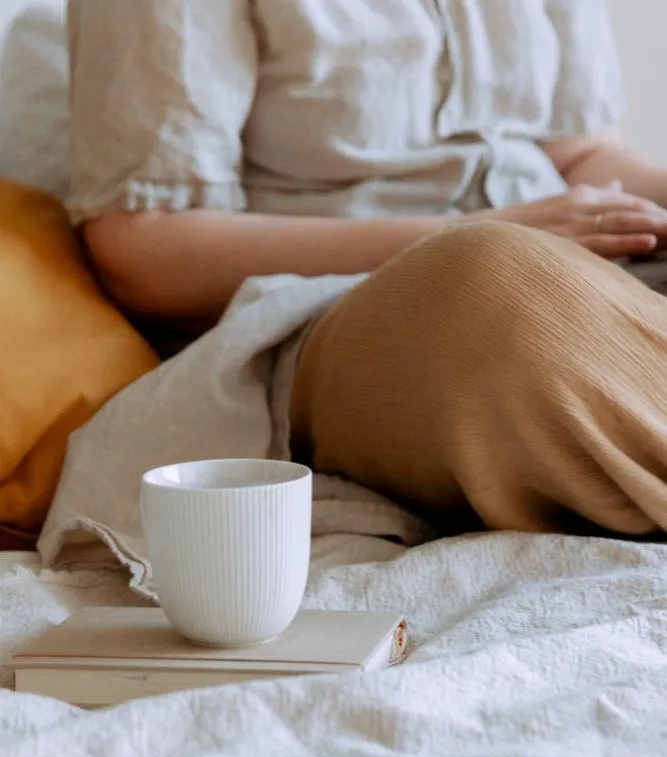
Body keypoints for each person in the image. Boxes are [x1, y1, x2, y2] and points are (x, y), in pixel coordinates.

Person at [66, 0, 667, 537]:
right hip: (349, 309)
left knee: (517, 274)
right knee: (491, 274)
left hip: (576, 270)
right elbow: (145, 250)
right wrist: (472, 233)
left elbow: (581, 154)